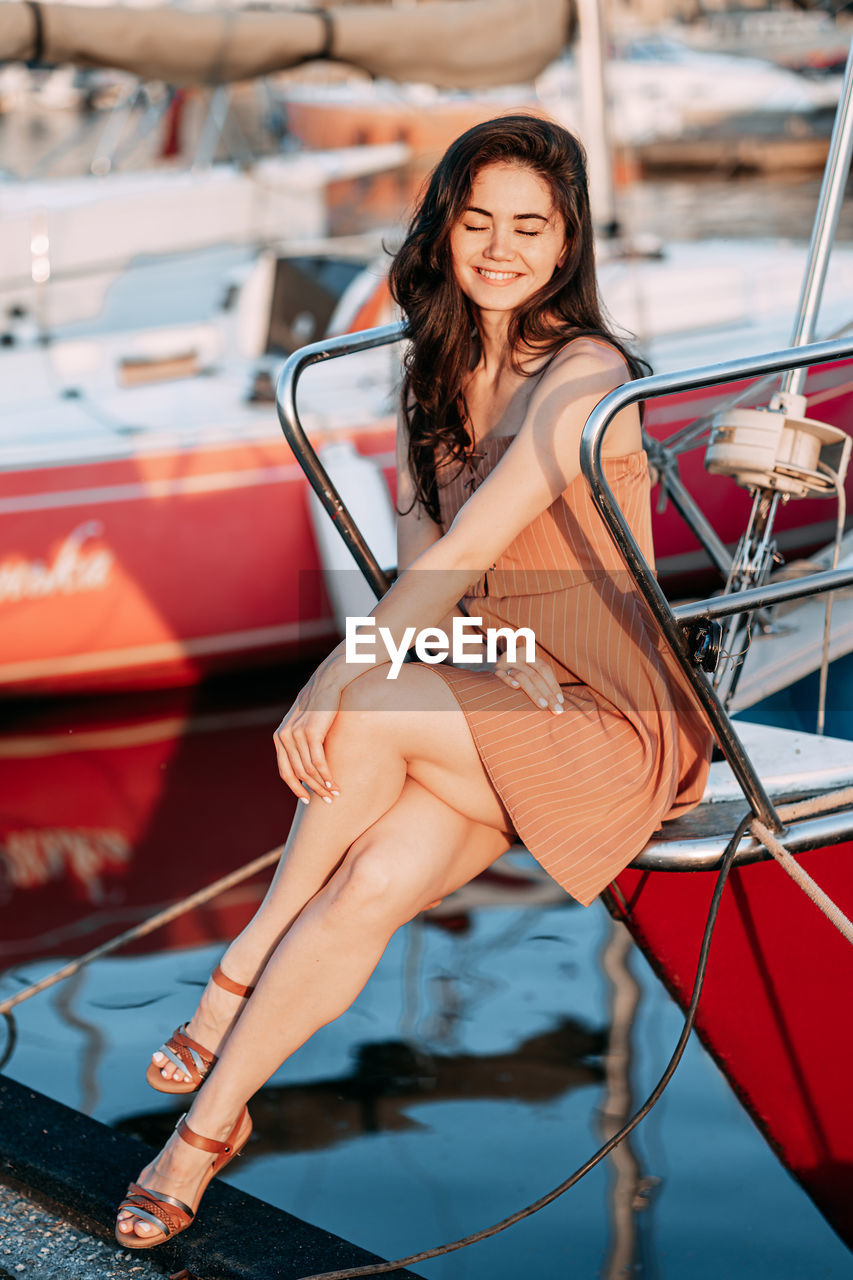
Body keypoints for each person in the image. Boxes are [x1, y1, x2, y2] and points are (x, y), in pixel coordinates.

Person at [116, 114, 712, 1248]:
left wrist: (332, 680)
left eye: (529, 226)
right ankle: (199, 1133)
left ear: (567, 239)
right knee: (370, 878)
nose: (500, 247)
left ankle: (235, 971)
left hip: (616, 716)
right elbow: (422, 577)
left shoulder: (583, 372)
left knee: (363, 707)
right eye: (478, 218)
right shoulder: (435, 368)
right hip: (507, 680)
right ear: (444, 227)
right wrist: (438, 661)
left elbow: (461, 555)